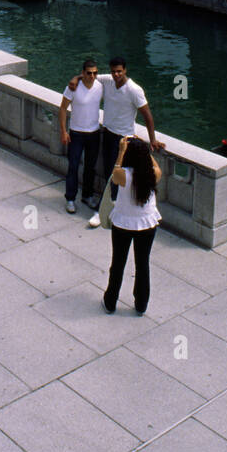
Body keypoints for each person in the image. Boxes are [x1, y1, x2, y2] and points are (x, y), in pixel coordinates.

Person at [68, 56, 165, 195]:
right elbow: (89, 75)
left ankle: (112, 207)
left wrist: (153, 139)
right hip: (107, 133)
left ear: (125, 70)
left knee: (116, 174)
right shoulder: (108, 80)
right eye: (113, 71)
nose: (116, 74)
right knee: (108, 172)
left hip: (123, 139)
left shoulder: (134, 90)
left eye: (119, 71)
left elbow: (147, 116)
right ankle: (108, 205)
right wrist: (75, 79)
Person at [103, 136, 162, 316]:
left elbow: (115, 172)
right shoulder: (153, 174)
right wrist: (144, 149)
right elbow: (156, 166)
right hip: (147, 223)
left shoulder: (123, 176)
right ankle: (141, 304)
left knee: (118, 263)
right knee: (142, 264)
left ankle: (111, 301)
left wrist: (122, 150)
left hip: (123, 223)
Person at [58, 59, 103, 214]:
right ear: (83, 73)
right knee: (73, 167)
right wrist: (63, 131)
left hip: (94, 134)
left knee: (90, 168)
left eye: (95, 73)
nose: (92, 76)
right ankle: (70, 198)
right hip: (76, 134)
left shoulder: (100, 85)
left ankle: (87, 196)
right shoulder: (73, 87)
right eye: (89, 73)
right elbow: (63, 108)